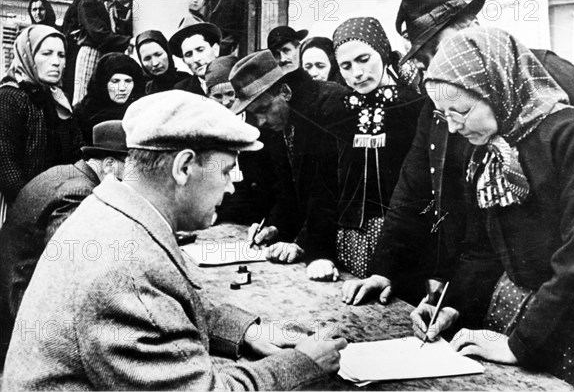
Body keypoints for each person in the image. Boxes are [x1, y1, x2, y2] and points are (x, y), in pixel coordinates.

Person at [2, 91, 347, 390]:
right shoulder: (125, 272)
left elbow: (164, 305)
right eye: (226, 171)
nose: (230, 187)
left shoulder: (114, 211)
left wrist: (247, 333)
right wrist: (303, 364)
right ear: (183, 167)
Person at [342, 0, 574, 308]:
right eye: (424, 61)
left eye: (435, 49)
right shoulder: (438, 102)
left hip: (560, 287)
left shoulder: (552, 75)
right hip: (478, 274)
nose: (436, 66)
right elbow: (413, 186)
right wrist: (384, 269)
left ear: (471, 26)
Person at [410, 26, 574, 391]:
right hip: (515, 311)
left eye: (461, 111)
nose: (452, 126)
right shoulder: (492, 149)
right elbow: (482, 248)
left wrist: (521, 344)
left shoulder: (573, 133)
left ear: (497, 88)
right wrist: (453, 305)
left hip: (571, 320)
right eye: (443, 114)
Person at [0, 120, 128, 369]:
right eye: (131, 168)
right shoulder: (81, 193)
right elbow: (68, 268)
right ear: (110, 165)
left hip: (9, 283)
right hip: (20, 301)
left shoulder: (65, 172)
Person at [304, 17, 424, 282]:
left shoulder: (413, 108)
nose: (356, 73)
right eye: (345, 66)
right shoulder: (336, 111)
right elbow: (324, 186)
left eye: (363, 59)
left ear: (382, 52)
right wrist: (319, 253)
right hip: (346, 242)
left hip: (406, 246)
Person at [229, 50, 348, 265]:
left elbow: (329, 188)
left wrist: (302, 242)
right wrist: (275, 226)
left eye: (264, 109)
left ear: (285, 91)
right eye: (255, 114)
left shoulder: (330, 105)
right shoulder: (281, 119)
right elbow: (287, 189)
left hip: (338, 242)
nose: (261, 121)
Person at [0, 25, 83, 204]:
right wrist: (37, 205)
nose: (56, 62)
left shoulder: (58, 99)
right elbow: (6, 165)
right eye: (46, 53)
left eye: (61, 55)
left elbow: (75, 154)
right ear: (27, 56)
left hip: (59, 201)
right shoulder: (9, 97)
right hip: (19, 204)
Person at [74, 52, 144, 145]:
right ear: (103, 83)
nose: (122, 88)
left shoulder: (140, 112)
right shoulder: (82, 113)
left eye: (128, 81)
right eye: (115, 81)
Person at [72, 0, 133, 105]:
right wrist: (128, 41)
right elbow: (98, 33)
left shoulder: (113, 5)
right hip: (92, 52)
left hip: (109, 54)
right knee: (84, 95)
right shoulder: (88, 2)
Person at [170, 15, 221, 96]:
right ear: (184, 61)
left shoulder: (235, 80)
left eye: (200, 50)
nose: (196, 59)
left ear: (215, 49)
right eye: (188, 54)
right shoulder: (182, 92)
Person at [135, 30, 191, 95]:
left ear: (168, 53)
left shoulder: (189, 83)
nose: (155, 63)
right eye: (147, 58)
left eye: (158, 54)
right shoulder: (144, 90)